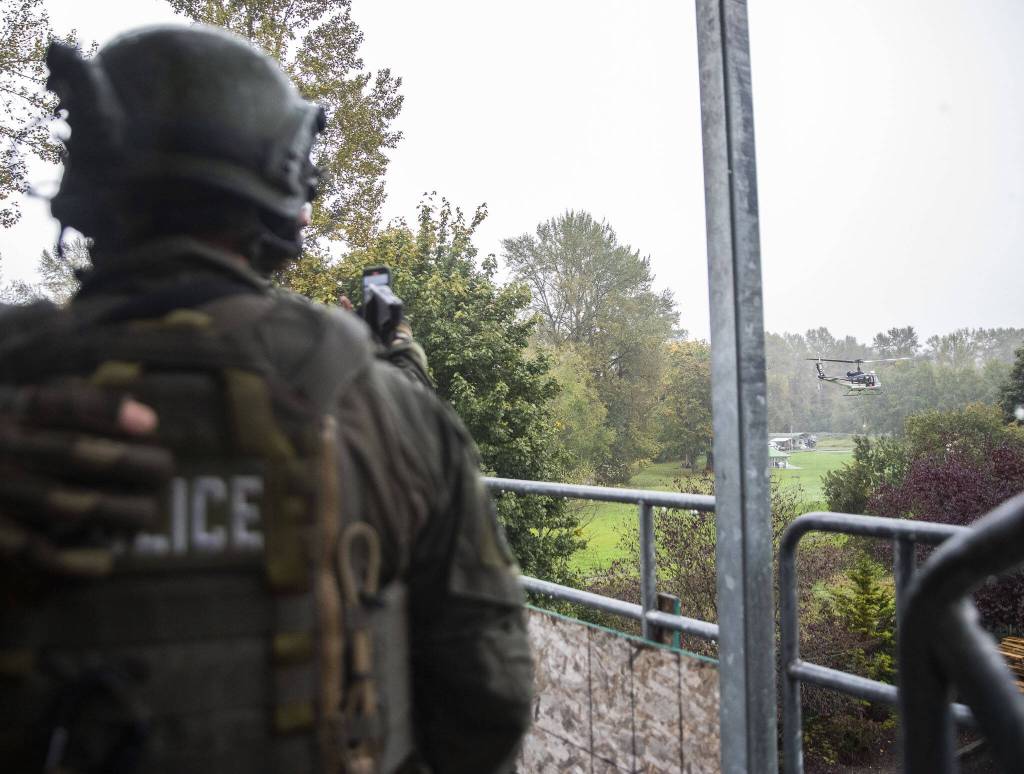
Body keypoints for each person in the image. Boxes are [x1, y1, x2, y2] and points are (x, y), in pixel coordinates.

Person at [0, 24, 531, 774]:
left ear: (90, 182)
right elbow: (491, 702)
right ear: (282, 196)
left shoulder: (14, 387)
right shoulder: (394, 414)